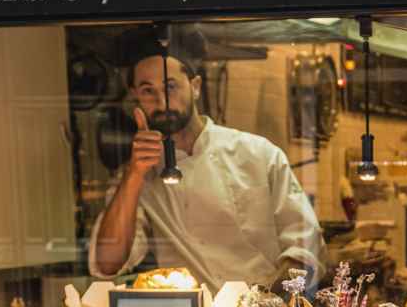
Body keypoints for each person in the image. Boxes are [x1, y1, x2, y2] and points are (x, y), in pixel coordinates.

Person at [89, 25, 323, 289]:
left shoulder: (259, 154)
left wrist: (274, 302)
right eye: (147, 90)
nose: (162, 102)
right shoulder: (139, 175)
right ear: (135, 97)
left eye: (171, 86)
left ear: (196, 86)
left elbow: (306, 245)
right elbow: (107, 264)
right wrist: (133, 175)